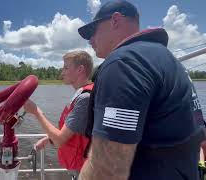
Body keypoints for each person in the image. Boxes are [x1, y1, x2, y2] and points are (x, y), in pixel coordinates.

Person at [77, 1, 205, 180]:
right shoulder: (170, 62)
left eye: (92, 32)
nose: (90, 40)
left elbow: (108, 169)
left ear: (115, 20)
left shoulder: (124, 63)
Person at [23, 50, 94, 177]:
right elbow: (72, 132)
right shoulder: (81, 94)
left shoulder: (85, 98)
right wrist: (49, 140)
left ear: (80, 70)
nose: (62, 73)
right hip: (79, 168)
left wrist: (36, 112)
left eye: (66, 67)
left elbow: (60, 140)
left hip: (83, 170)